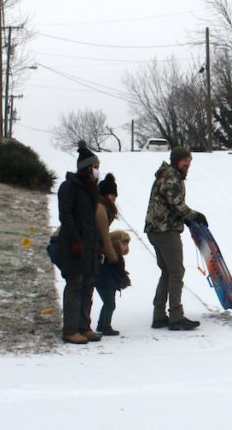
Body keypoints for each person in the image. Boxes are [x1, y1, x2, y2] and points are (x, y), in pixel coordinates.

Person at [144, 146, 207, 331]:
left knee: (168, 271)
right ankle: (176, 317)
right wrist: (193, 215)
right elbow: (176, 203)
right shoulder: (171, 176)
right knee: (176, 272)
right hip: (165, 230)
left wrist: (185, 218)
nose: (188, 164)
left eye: (190, 161)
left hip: (157, 229)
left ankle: (159, 315)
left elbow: (170, 204)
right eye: (185, 160)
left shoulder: (168, 174)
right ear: (176, 160)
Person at [55, 142, 103, 345]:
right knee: (75, 285)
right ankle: (71, 329)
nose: (97, 171)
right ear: (86, 168)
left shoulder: (91, 190)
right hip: (75, 245)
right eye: (95, 167)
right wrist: (75, 240)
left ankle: (84, 326)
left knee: (88, 286)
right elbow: (66, 216)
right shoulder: (69, 187)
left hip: (90, 247)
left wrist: (98, 243)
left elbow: (93, 221)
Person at [96, 230, 131, 336]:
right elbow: (119, 272)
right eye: (123, 243)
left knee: (107, 304)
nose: (126, 247)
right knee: (110, 305)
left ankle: (101, 324)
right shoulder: (112, 257)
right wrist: (124, 279)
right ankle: (106, 326)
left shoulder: (113, 256)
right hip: (105, 283)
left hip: (106, 283)